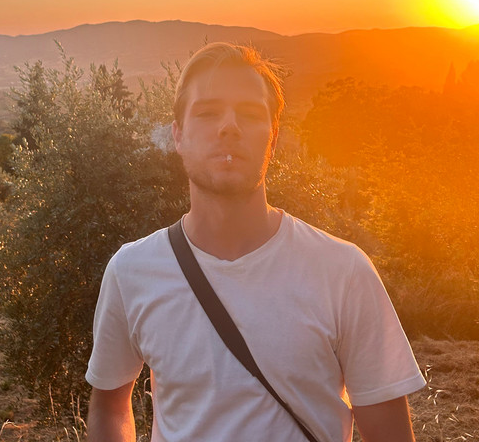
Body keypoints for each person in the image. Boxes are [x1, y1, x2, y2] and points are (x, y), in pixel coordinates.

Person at [85, 42, 425, 442]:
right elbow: (109, 406)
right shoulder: (131, 271)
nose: (229, 127)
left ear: (273, 139)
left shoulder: (344, 271)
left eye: (248, 113)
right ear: (178, 135)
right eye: (208, 112)